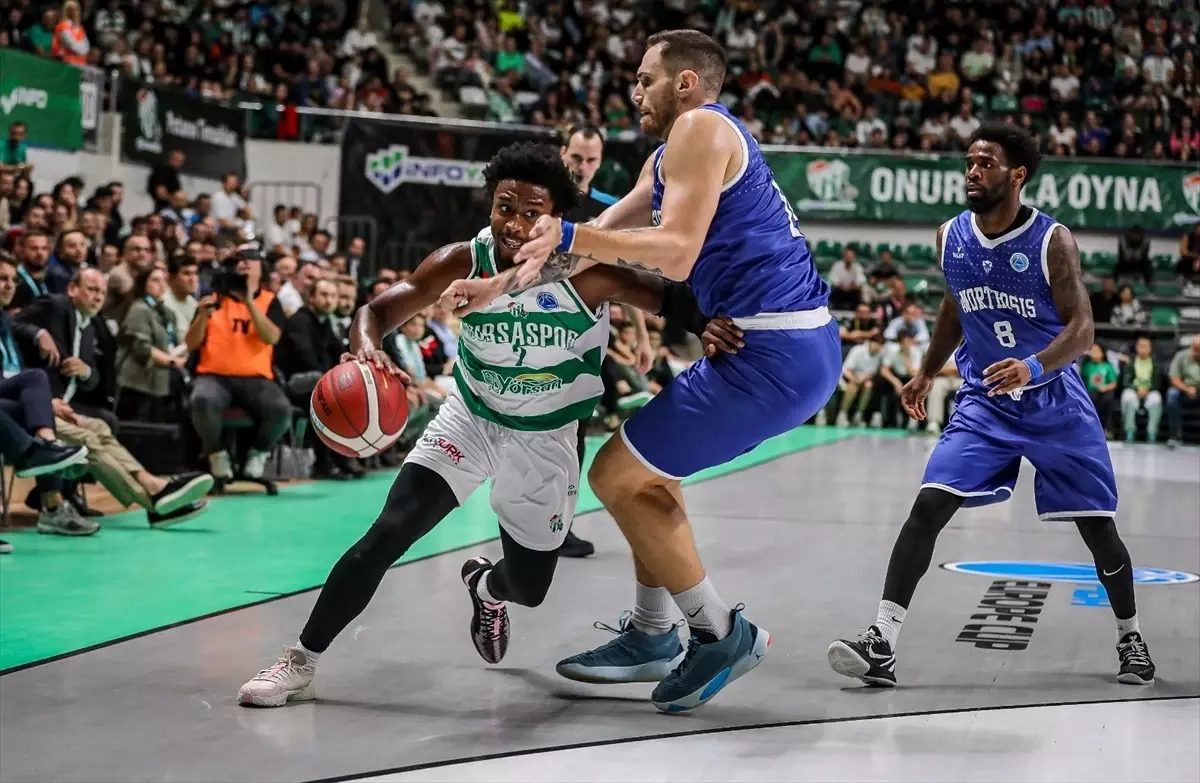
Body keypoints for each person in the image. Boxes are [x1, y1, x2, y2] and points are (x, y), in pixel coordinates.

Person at [235, 142, 719, 708]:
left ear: (556, 218)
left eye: (531, 212)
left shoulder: (587, 274)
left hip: (545, 437)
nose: (514, 223)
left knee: (529, 589)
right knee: (388, 533)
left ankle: (486, 585)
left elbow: (671, 299)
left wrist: (712, 327)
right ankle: (300, 661)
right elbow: (376, 312)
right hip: (471, 418)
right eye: (504, 207)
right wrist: (367, 349)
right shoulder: (462, 260)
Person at [442, 31, 839, 713]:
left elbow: (675, 254)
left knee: (613, 474)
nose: (634, 93)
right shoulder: (669, 155)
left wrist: (573, 233)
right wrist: (496, 286)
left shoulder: (699, 127)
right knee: (648, 469)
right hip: (777, 345)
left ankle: (719, 631)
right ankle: (653, 632)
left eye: (645, 78)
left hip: (775, 348)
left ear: (685, 82)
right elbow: (589, 249)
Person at [826, 124, 1156, 689]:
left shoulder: (1052, 241)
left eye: (986, 163)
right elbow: (954, 307)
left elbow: (1082, 330)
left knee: (1098, 529)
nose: (972, 173)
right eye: (969, 163)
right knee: (928, 506)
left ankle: (1131, 637)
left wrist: (1033, 366)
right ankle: (882, 641)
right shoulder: (950, 235)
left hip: (1054, 400)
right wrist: (926, 370)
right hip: (985, 401)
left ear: (1017, 175)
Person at [186, 245, 290, 480]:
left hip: (257, 379)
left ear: (261, 269)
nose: (243, 262)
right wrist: (201, 316)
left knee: (281, 410)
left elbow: (271, 337)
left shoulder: (270, 301)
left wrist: (249, 302)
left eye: (250, 258)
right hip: (214, 376)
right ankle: (216, 452)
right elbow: (191, 343)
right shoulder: (214, 298)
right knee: (202, 399)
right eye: (238, 259)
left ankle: (259, 452)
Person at [1119, 336, 1162, 443]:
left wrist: (1148, 389)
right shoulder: (1131, 362)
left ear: (1150, 348)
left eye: (1146, 346)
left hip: (1150, 391)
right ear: (1136, 347)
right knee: (1128, 397)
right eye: (1141, 346)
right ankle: (1129, 431)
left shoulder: (1155, 363)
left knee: (1156, 399)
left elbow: (1158, 383)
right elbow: (1126, 382)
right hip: (1134, 390)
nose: (1143, 349)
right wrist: (1136, 389)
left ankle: (1152, 432)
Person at [1165, 334, 1200, 448]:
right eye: (1195, 349)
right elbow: (1174, 378)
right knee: (1172, 394)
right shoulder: (1181, 356)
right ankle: (1175, 435)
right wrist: (1187, 389)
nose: (1197, 353)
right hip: (1184, 390)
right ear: (1191, 347)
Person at [1081, 341, 1119, 436]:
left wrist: (1105, 387)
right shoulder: (1086, 366)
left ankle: (1107, 429)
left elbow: (1113, 383)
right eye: (1093, 350)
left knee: (1108, 398)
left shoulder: (1108, 366)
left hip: (1104, 392)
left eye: (1097, 351)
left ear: (1103, 353)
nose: (1095, 353)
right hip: (1090, 393)